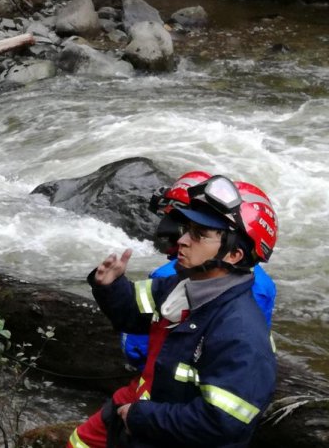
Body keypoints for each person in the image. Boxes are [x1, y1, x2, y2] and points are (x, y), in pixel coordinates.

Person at [69, 173, 279, 448]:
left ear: (234, 255)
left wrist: (141, 416)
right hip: (144, 417)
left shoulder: (241, 332)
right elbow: (132, 314)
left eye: (199, 235)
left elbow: (220, 424)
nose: (181, 241)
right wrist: (110, 286)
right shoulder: (181, 286)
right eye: (187, 229)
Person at [121, 171, 276, 370]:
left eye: (197, 231)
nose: (180, 238)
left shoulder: (169, 277)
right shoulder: (262, 284)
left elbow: (136, 349)